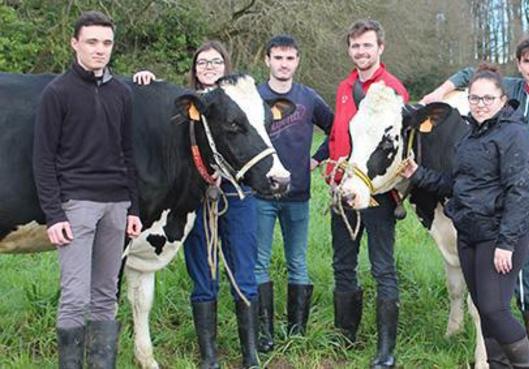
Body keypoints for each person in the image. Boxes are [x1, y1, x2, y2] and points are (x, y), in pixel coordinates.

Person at [422, 35, 529, 366]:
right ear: (518, 65)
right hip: (510, 211)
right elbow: (474, 72)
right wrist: (441, 93)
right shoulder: (512, 91)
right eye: (526, 62)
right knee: (525, 282)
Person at [402, 63, 529, 368]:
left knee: (494, 310)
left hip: (499, 236)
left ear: (503, 100)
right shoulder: (470, 137)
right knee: (483, 306)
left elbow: (521, 192)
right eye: (475, 98)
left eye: (487, 98)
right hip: (470, 234)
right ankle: (498, 365)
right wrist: (418, 175)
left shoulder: (514, 134)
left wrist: (506, 242)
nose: (480, 105)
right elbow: (457, 184)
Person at [133, 41, 261, 369]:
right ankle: (209, 357)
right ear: (194, 68)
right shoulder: (186, 104)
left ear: (226, 65)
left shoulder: (243, 99)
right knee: (203, 274)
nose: (208, 67)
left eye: (215, 61)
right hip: (192, 201)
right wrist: (145, 81)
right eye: (202, 62)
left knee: (243, 270)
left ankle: (251, 355)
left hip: (237, 196)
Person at [33, 10, 142, 369]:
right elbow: (43, 158)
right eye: (92, 42)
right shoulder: (57, 92)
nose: (100, 50)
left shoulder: (122, 93)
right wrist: (54, 213)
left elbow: (129, 154)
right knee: (75, 297)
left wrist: (134, 209)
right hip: (76, 205)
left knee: (105, 295)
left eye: (107, 43)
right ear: (75, 43)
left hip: (117, 205)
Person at [324, 19, 409, 369]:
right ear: (350, 49)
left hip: (377, 193)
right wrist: (329, 170)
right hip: (343, 188)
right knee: (343, 263)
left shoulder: (393, 89)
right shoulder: (345, 87)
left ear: (380, 48)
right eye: (356, 46)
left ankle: (385, 350)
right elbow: (336, 135)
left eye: (367, 45)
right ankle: (346, 336)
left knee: (382, 268)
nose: (361, 52)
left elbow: (400, 145)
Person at [252, 34, 333, 352]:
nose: (283, 64)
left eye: (290, 58)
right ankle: (264, 332)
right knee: (259, 262)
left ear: (297, 61)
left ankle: (297, 331)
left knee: (297, 261)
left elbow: (335, 127)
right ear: (267, 60)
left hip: (298, 194)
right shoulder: (255, 96)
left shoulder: (309, 98)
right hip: (261, 194)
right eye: (278, 57)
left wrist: (317, 157)